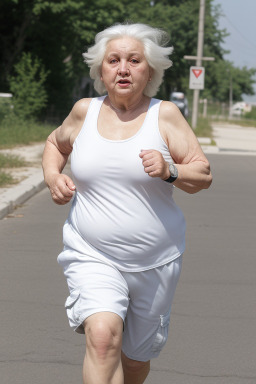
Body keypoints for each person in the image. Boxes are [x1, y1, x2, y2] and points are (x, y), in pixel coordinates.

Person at [42, 22, 212, 384]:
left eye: (134, 60)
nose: (122, 68)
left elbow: (203, 175)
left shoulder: (164, 115)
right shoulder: (83, 112)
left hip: (155, 261)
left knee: (135, 361)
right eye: (113, 60)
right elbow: (55, 144)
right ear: (100, 70)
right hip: (92, 253)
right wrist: (53, 176)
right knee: (103, 339)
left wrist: (171, 170)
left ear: (148, 70)